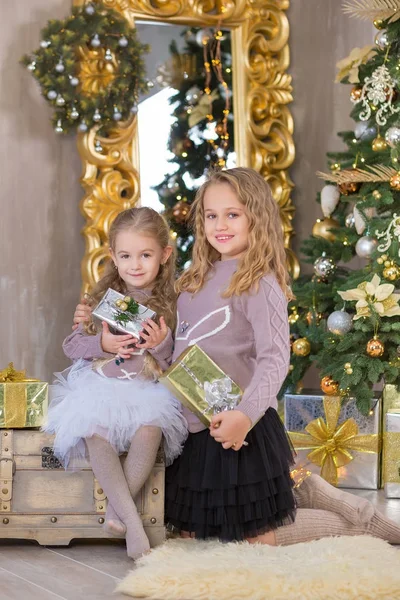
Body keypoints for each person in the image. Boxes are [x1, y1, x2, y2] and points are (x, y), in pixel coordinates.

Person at [73, 169, 400, 545]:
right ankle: (304, 488)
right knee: (199, 533)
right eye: (211, 215)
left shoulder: (259, 281)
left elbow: (275, 359)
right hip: (198, 427)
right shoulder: (193, 279)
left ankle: (360, 523)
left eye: (233, 214)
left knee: (254, 540)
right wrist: (150, 340)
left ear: (255, 216)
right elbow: (179, 353)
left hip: (240, 427)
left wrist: (244, 416)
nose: (220, 225)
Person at [44, 207, 188, 559]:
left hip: (145, 389)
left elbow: (175, 361)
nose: (135, 264)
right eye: (125, 255)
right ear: (112, 256)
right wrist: (102, 344)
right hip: (101, 387)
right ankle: (134, 526)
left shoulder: (175, 301)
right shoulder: (99, 299)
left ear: (164, 255)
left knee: (151, 429)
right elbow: (71, 346)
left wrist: (161, 343)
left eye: (145, 255)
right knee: (96, 433)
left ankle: (115, 513)